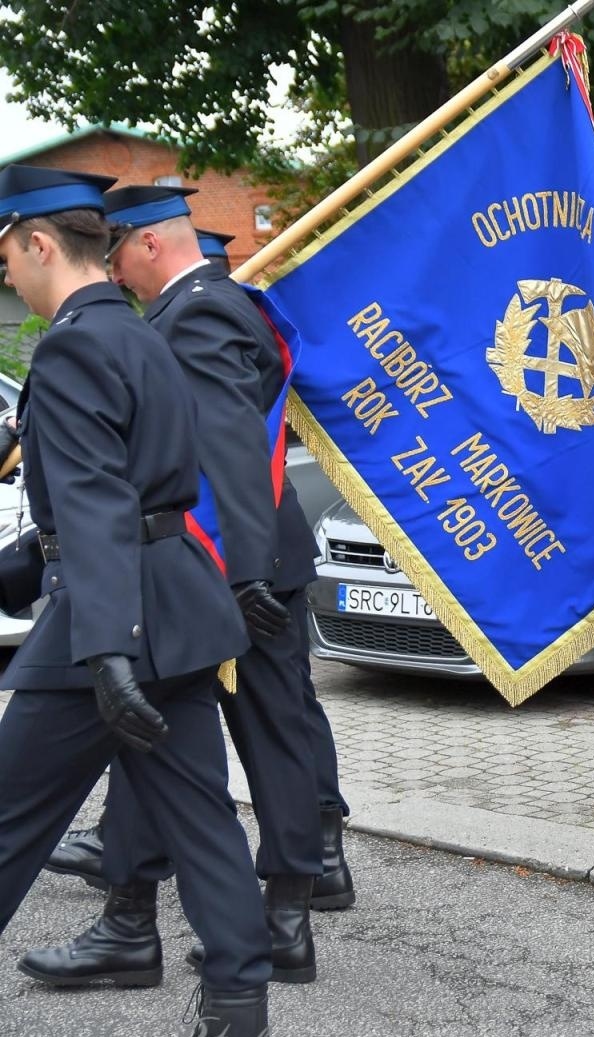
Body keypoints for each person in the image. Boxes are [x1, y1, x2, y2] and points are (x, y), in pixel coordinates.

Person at [21, 184, 354, 992]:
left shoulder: (199, 311)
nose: (117, 271)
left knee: (269, 734)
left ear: (147, 244)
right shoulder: (193, 309)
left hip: (236, 567)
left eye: (121, 250)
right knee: (164, 737)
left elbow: (231, 447)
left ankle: (279, 919)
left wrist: (244, 574)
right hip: (207, 564)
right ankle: (139, 917)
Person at [0, 163, 273, 1037]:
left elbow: (94, 504)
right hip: (176, 607)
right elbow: (141, 490)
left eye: (6, 252)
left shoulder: (75, 345)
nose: (6, 273)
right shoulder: (144, 331)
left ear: (40, 243)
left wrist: (108, 646)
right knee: (203, 824)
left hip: (105, 623)